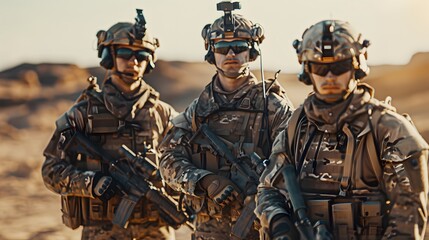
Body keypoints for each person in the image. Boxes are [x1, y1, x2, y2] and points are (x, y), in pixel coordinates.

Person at [255, 19, 429, 239]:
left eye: (339, 67)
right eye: (320, 67)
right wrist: (280, 224)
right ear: (308, 70)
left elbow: (408, 215)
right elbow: (268, 188)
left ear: (356, 66)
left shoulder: (389, 130)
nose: (329, 77)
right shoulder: (296, 126)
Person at [159, 2, 294, 240]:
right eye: (222, 47)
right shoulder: (197, 110)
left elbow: (294, 165)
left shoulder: (273, 107)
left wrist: (266, 190)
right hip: (208, 231)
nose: (231, 54)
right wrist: (205, 181)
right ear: (212, 53)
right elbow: (168, 161)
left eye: (239, 46)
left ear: (251, 52)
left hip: (259, 228)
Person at [41, 9, 178, 240]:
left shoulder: (162, 113)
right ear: (108, 56)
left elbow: (184, 162)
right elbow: (51, 170)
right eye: (125, 53)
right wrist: (90, 183)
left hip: (155, 229)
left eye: (142, 56)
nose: (134, 62)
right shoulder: (82, 113)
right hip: (102, 231)